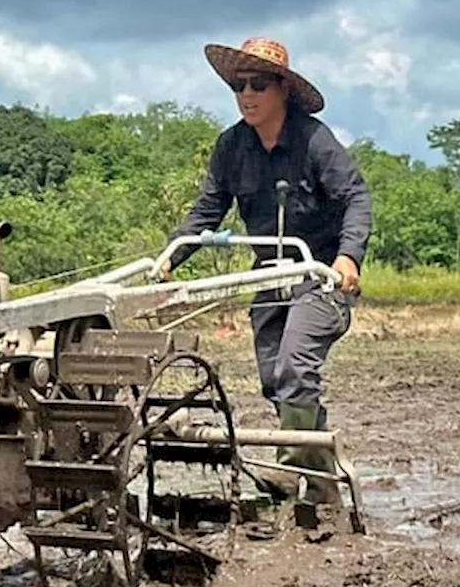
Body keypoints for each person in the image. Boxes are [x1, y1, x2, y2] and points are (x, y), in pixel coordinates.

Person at [159, 37, 372, 504]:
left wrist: (348, 258)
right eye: (238, 85)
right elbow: (208, 210)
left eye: (257, 84)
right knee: (276, 380)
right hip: (268, 277)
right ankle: (327, 479)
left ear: (282, 90)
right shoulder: (231, 146)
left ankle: (294, 471)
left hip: (319, 277)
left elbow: (356, 198)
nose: (246, 94)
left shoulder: (315, 140)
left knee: (296, 367)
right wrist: (171, 256)